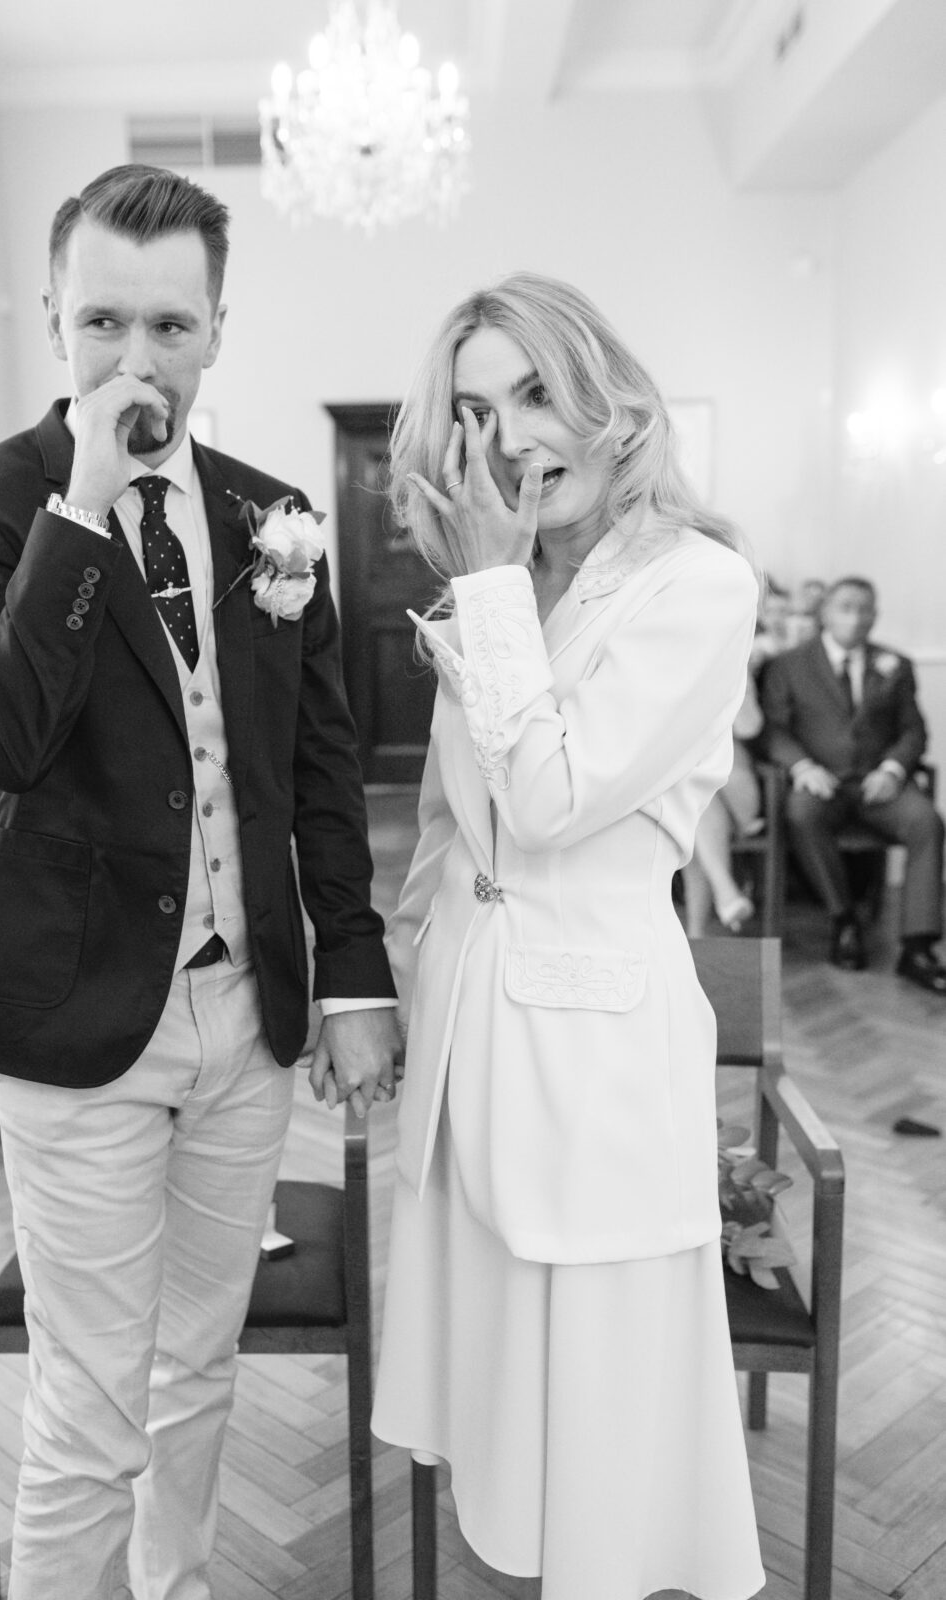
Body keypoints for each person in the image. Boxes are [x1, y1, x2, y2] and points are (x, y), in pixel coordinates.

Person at [0, 164, 402, 1600]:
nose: (137, 359)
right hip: (79, 1026)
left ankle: (173, 1584)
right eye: (104, 322)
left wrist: (353, 976)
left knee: (199, 1365)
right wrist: (82, 504)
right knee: (89, 1403)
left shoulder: (270, 517)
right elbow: (2, 736)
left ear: (216, 331)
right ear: (55, 317)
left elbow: (317, 769)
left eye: (171, 327)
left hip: (245, 1019)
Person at [349, 272, 766, 1600]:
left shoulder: (696, 584)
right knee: (496, 1443)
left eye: (534, 392)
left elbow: (547, 802)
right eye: (476, 411)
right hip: (465, 1052)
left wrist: (485, 595)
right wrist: (386, 991)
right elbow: (449, 828)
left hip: (590, 1065)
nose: (511, 440)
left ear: (605, 396)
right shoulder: (514, 586)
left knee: (597, 1458)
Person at [761, 574, 945, 990]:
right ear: (825, 612)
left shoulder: (895, 665)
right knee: (801, 814)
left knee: (927, 822)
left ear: (875, 616)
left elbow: (913, 731)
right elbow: (773, 730)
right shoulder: (788, 665)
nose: (856, 617)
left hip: (879, 785)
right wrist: (802, 767)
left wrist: (893, 770)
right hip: (821, 784)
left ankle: (918, 947)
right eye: (846, 607)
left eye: (865, 609)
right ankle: (844, 920)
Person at [681, 664, 764, 937]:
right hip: (693, 790)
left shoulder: (733, 662)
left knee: (694, 804)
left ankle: (709, 918)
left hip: (737, 796)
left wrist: (724, 678)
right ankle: (723, 898)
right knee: (695, 808)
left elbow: (749, 727)